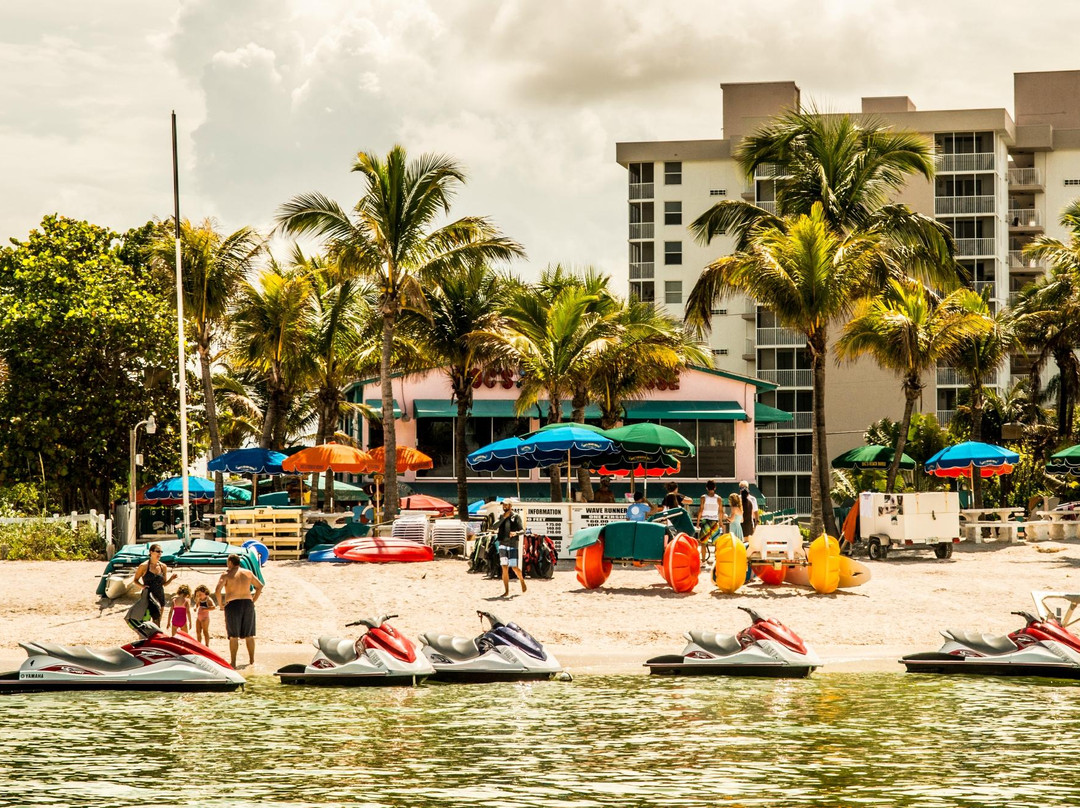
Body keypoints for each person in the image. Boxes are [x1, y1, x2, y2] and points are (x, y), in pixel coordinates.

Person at [215, 554, 264, 668]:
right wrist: (253, 600)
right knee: (249, 635)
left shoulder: (226, 574)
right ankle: (251, 661)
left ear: (230, 562)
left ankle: (233, 662)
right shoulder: (248, 573)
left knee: (233, 636)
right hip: (247, 603)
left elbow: (217, 590)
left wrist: (221, 604)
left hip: (233, 604)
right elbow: (260, 586)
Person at [132, 544, 176, 625]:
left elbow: (164, 584)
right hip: (148, 596)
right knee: (145, 622)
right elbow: (135, 580)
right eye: (158, 551)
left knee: (157, 623)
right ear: (151, 552)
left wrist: (171, 579)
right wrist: (142, 586)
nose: (160, 553)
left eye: (161, 552)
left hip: (159, 596)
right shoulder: (143, 566)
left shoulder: (163, 566)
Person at [494, 500, 527, 597]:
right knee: (504, 567)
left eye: (506, 505)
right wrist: (503, 518)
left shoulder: (516, 516)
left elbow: (522, 530)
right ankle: (506, 591)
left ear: (510, 506)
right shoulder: (501, 516)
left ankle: (521, 580)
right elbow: (494, 526)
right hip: (502, 543)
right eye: (503, 505)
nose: (504, 506)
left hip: (512, 544)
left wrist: (516, 533)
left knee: (514, 567)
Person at [696, 481, 723, 560]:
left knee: (703, 542)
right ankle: (716, 559)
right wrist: (721, 522)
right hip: (714, 521)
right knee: (716, 542)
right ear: (715, 488)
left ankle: (703, 559)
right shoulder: (719, 498)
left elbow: (701, 510)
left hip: (705, 521)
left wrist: (698, 522)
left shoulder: (703, 497)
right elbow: (720, 511)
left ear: (706, 488)